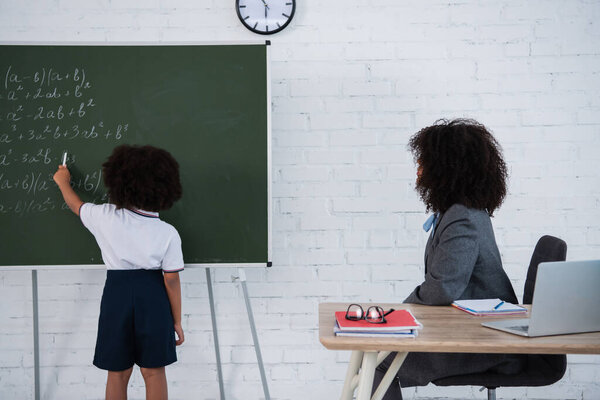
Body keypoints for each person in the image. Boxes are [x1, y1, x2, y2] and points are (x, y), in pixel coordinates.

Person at [374, 119, 526, 399]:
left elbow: (443, 288)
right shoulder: (459, 211)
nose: (418, 170)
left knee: (377, 360)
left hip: (486, 342)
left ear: (446, 168)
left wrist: (398, 314)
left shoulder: (461, 217)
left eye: (424, 162)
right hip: (471, 330)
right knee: (376, 353)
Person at [53, 145, 185, 400]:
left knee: (117, 372)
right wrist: (176, 320)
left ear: (119, 182)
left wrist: (62, 182)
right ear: (164, 187)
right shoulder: (167, 233)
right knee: (154, 371)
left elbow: (75, 204)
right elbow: (171, 279)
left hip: (117, 294)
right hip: (153, 296)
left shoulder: (105, 216)